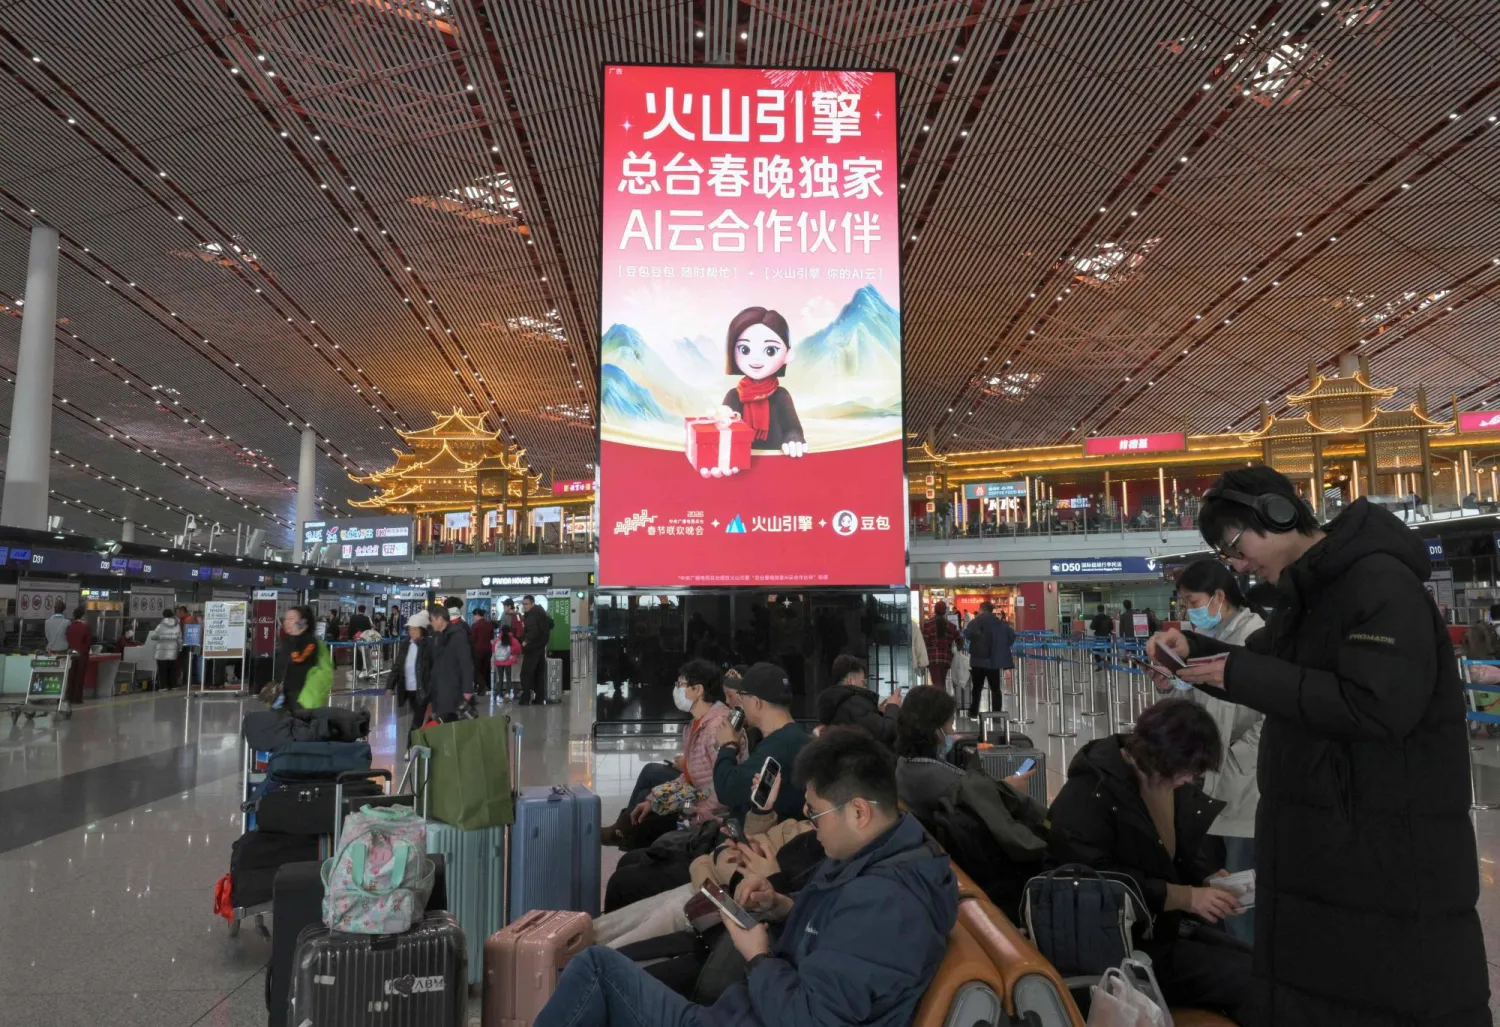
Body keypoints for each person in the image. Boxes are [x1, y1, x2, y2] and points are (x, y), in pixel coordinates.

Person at [1149, 466, 1488, 1025]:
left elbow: (1378, 704)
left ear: (1277, 513)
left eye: (1235, 546)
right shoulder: (1308, 594)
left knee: (1393, 994)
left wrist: (1238, 673)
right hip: (1332, 844)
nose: (1237, 565)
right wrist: (1191, 649)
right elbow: (1267, 664)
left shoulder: (1378, 582)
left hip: (1387, 850)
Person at [536, 728, 958, 1027]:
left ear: (859, 812)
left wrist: (757, 957)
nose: (811, 823)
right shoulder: (874, 858)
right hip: (742, 1009)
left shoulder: (887, 906)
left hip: (745, 1012)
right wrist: (783, 907)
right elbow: (834, 929)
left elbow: (810, 1018)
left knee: (595, 970)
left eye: (816, 813)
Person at [1048, 699, 1253, 1022]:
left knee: (1262, 966)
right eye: (1188, 771)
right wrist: (1186, 897)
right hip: (1120, 948)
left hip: (1159, 930)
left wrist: (1206, 878)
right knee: (1251, 979)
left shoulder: (1162, 783)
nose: (1190, 780)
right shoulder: (1090, 793)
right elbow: (1095, 883)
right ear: (1165, 756)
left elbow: (1172, 855)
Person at [1158, 559, 1264, 944]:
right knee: (1213, 881)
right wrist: (1172, 683)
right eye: (1184, 604)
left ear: (1219, 596)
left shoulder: (1255, 635)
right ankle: (1226, 957)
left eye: (1193, 602)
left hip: (1243, 781)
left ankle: (1247, 962)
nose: (1189, 611)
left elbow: (1271, 715)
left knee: (1240, 890)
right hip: (1207, 777)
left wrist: (1235, 757)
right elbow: (1203, 700)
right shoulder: (1202, 636)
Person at [893, 685, 1045, 918]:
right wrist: (1008, 791)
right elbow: (1011, 835)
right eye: (949, 724)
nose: (952, 730)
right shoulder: (949, 783)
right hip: (991, 873)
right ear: (936, 731)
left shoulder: (904, 767)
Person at [602, 660, 745, 849]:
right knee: (647, 802)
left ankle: (624, 834)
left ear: (697, 690)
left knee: (645, 827)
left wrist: (693, 814)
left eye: (680, 684)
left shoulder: (716, 727)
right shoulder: (695, 725)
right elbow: (689, 777)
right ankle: (624, 831)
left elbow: (722, 788)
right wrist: (654, 799)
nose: (676, 689)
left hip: (707, 811)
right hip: (698, 795)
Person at [714, 662, 812, 823]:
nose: (741, 704)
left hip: (771, 834)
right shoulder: (797, 738)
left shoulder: (778, 747)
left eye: (742, 698)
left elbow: (727, 790)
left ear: (756, 702)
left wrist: (728, 745)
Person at [813, 655, 898, 746]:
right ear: (851, 681)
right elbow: (885, 733)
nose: (865, 687)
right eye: (863, 682)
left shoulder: (834, 703)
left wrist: (877, 712)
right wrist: (893, 706)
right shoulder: (854, 704)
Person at [962, 601, 1015, 717]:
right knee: (995, 689)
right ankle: (996, 714)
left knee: (976, 688)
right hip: (993, 662)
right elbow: (1011, 636)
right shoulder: (999, 623)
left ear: (982, 609)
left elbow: (967, 634)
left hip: (977, 661)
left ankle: (974, 712)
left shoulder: (975, 622)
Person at [388, 610, 431, 745]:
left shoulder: (429, 645)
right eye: (410, 629)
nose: (411, 632)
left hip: (423, 689)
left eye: (415, 629)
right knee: (422, 718)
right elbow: (398, 665)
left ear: (422, 630)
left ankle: (410, 747)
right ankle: (426, 740)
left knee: (417, 720)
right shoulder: (406, 644)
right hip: (408, 688)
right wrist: (390, 685)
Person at [425, 604, 474, 722]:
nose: (431, 623)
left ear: (440, 619)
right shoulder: (437, 636)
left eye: (432, 620)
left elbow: (466, 663)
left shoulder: (457, 636)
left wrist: (467, 689)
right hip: (439, 688)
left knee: (450, 723)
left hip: (452, 689)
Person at [277, 606, 318, 710]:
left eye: (291, 619)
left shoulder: (309, 641)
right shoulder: (287, 640)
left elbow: (297, 659)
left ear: (302, 622)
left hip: (301, 695)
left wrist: (295, 637)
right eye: (285, 619)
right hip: (284, 694)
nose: (286, 622)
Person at [518, 594, 553, 705]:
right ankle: (539, 698)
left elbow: (532, 631)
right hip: (540, 647)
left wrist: (525, 642)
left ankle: (525, 698)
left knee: (525, 674)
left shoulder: (532, 614)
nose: (525, 606)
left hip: (532, 648)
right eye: (523, 604)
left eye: (527, 604)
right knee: (538, 673)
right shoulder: (541, 612)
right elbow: (551, 624)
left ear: (532, 603)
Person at [920, 600, 960, 690]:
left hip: (932, 658)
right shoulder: (951, 626)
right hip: (946, 659)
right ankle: (942, 697)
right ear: (945, 611)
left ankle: (941, 698)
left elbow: (924, 643)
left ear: (934, 610)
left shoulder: (928, 624)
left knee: (937, 684)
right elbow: (959, 642)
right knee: (941, 681)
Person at [62, 606, 92, 711]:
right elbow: (88, 642)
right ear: (82, 616)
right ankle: (77, 697)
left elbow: (67, 638)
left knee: (71, 675)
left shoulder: (70, 627)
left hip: (71, 653)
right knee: (80, 675)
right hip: (82, 654)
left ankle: (68, 696)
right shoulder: (85, 627)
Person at [146, 610, 182, 692]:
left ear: (164, 616)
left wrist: (160, 637)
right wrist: (180, 648)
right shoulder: (177, 626)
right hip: (173, 651)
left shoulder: (160, 626)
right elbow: (180, 639)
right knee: (172, 668)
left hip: (161, 651)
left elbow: (153, 636)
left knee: (162, 669)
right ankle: (173, 685)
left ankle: (164, 686)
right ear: (172, 615)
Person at [470, 606, 494, 695]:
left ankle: (481, 686)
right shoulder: (489, 624)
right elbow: (491, 638)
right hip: (488, 650)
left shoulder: (475, 626)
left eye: (474, 616)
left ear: (477, 615)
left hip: (478, 650)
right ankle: (484, 688)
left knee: (477, 670)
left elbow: (473, 639)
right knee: (485, 669)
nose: (474, 618)